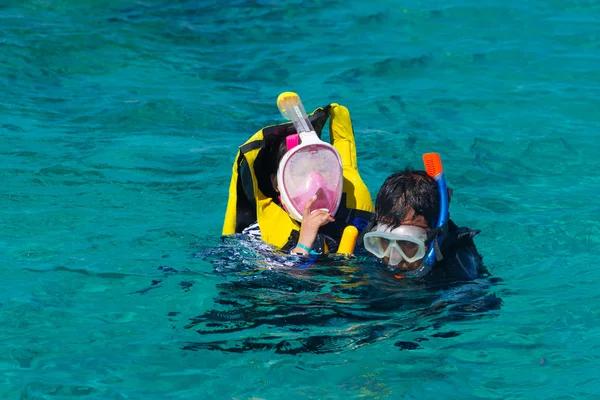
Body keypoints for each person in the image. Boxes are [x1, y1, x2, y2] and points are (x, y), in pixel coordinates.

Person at [222, 93, 374, 256]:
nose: (317, 183)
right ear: (276, 184)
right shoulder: (258, 236)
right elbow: (273, 279)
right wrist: (304, 244)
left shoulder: (353, 219)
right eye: (301, 174)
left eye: (323, 172)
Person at [362, 154, 488, 281]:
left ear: (436, 236)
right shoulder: (366, 243)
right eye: (385, 241)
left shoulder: (458, 272)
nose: (393, 261)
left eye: (407, 243)